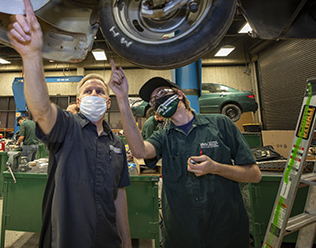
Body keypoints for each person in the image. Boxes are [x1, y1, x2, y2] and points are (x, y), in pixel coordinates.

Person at [8, 0, 132, 248]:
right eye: (88, 91)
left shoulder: (117, 145)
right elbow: (42, 110)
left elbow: (119, 196)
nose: (95, 94)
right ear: (78, 101)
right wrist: (32, 56)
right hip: (66, 239)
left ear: (108, 103)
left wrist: (127, 242)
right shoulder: (67, 127)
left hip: (107, 240)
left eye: (100, 91)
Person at [109, 68, 262, 248]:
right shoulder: (163, 137)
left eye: (161, 93)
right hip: (182, 237)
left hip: (226, 233)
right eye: (153, 100)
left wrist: (216, 168)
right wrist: (122, 99)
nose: (157, 100)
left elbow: (254, 175)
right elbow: (140, 151)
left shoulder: (221, 124)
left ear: (180, 94)